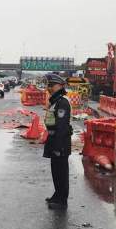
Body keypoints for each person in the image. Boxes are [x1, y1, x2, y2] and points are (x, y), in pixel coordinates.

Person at [43, 74, 72, 210]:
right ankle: (57, 195)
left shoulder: (63, 102)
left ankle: (62, 200)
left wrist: (58, 146)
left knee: (61, 173)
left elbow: (61, 126)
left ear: (60, 86)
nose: (49, 88)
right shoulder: (55, 101)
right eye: (48, 85)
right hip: (53, 140)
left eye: (52, 85)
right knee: (55, 171)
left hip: (60, 142)